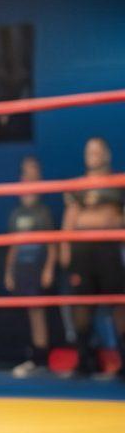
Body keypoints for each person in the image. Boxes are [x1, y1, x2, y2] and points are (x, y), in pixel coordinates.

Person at [61, 137, 125, 378]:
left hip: (109, 249)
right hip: (82, 251)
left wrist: (113, 221)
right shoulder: (78, 186)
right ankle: (85, 358)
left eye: (97, 150)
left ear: (107, 154)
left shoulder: (119, 182)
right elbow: (70, 219)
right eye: (89, 150)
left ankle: (124, 358)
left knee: (119, 303)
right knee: (81, 304)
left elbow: (119, 216)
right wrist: (66, 251)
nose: (93, 154)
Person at [6, 156, 56, 377]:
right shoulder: (16, 214)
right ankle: (31, 356)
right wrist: (8, 272)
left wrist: (49, 269)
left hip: (37, 267)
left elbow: (52, 243)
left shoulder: (43, 212)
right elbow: (12, 246)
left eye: (34, 173)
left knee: (37, 312)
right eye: (27, 174)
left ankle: (40, 358)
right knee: (25, 313)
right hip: (21, 269)